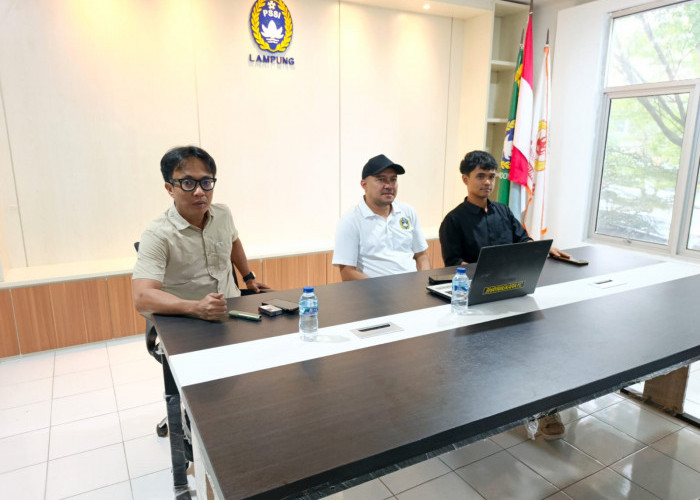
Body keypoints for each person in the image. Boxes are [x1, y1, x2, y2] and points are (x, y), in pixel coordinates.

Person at [439, 150, 569, 440]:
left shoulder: (505, 212)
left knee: (537, 350)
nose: (487, 182)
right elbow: (454, 266)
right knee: (490, 362)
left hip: (515, 293)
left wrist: (542, 248)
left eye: (491, 176)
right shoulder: (454, 221)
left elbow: (523, 242)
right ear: (465, 179)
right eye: (480, 176)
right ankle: (490, 408)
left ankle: (546, 409)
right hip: (478, 303)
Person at [133, 145, 268, 321]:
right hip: (188, 319)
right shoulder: (157, 234)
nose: (199, 192)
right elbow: (142, 297)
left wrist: (248, 278)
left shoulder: (223, 215)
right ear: (170, 188)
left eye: (206, 182)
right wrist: (196, 308)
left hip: (233, 310)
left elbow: (234, 241)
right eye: (188, 183)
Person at [332, 154, 430, 281]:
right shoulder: (350, 220)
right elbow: (347, 272)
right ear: (364, 185)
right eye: (381, 179)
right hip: (373, 292)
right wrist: (382, 290)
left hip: (413, 288)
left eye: (393, 179)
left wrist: (424, 283)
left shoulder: (407, 212)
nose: (389, 185)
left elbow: (421, 256)